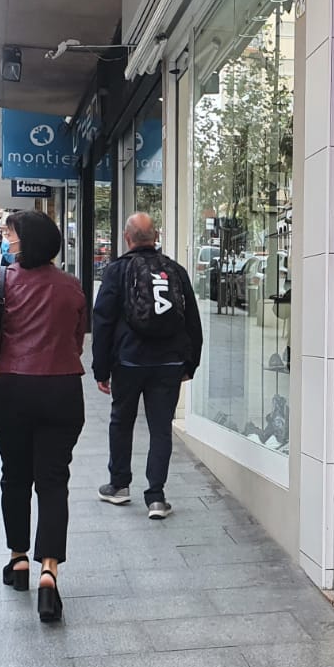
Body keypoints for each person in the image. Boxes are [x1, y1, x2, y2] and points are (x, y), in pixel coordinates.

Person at [0, 210, 85, 622]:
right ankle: (49, 572)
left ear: (26, 240)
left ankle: (18, 558)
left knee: (15, 476)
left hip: (13, 389)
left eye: (11, 234)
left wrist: (8, 367)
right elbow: (76, 340)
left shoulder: (0, 281)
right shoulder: (72, 286)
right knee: (54, 480)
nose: (7, 239)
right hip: (63, 388)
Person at [92, 212, 202, 520]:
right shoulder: (175, 270)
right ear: (156, 237)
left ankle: (118, 485)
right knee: (160, 428)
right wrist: (190, 363)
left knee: (121, 421)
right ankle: (156, 497)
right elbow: (192, 320)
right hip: (169, 362)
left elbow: (102, 321)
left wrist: (101, 369)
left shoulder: (117, 271)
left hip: (128, 361)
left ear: (127, 238)